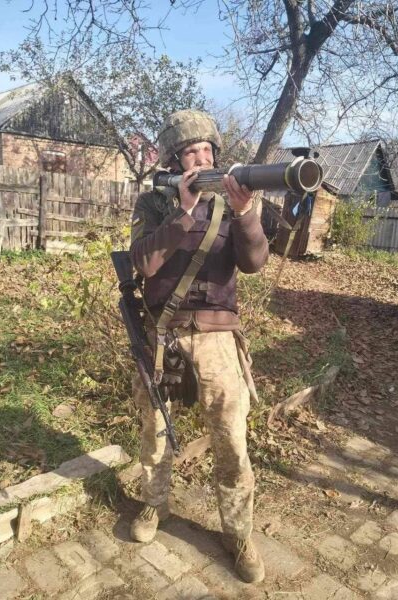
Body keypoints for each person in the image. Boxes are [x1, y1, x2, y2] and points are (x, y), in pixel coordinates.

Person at [128, 109, 269, 583]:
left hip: (217, 339)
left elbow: (255, 262)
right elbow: (144, 263)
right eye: (192, 152)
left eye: (208, 150)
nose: (203, 159)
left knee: (231, 438)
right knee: (155, 430)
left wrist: (246, 213)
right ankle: (155, 505)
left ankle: (239, 533)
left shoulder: (233, 203)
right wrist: (184, 213)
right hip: (162, 335)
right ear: (172, 160)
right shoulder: (153, 204)